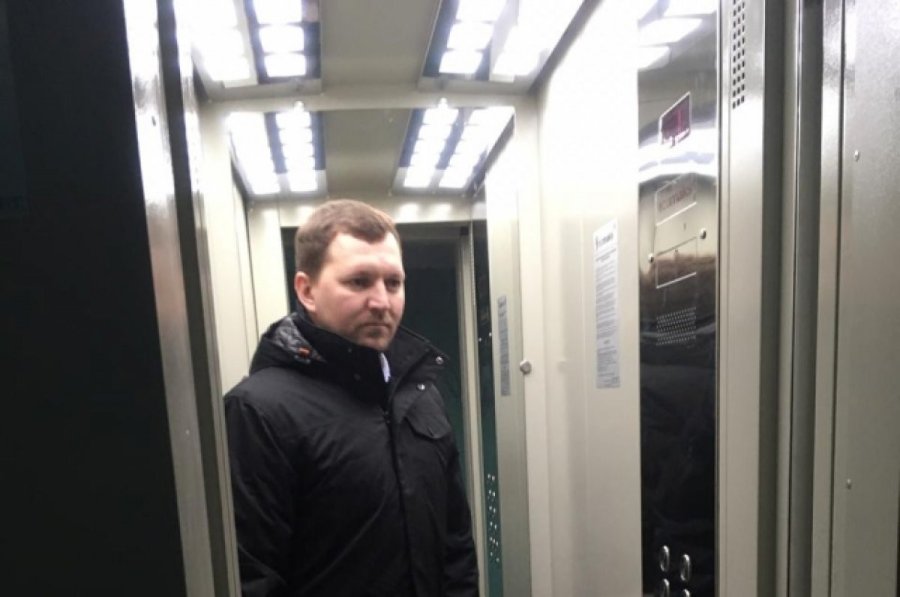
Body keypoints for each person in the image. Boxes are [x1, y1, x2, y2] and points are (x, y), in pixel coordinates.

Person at [224, 199, 479, 597]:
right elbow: (252, 576)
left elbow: (456, 547)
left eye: (393, 283)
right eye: (359, 282)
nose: (381, 301)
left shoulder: (420, 395)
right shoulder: (258, 411)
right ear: (307, 290)